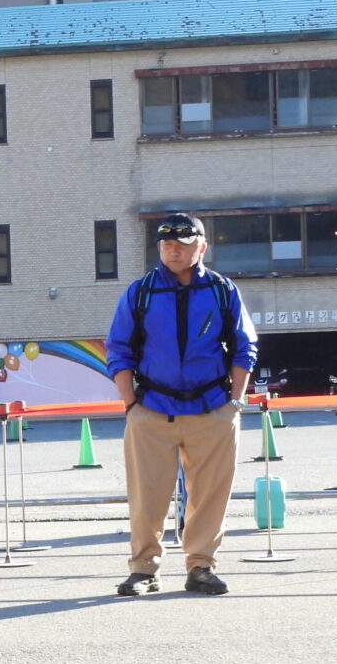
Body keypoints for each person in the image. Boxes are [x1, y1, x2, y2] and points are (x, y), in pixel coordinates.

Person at [105, 212, 258, 597]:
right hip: (152, 409)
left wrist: (234, 403)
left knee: (210, 494)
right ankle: (143, 569)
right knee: (146, 494)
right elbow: (118, 349)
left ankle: (201, 566)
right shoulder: (140, 292)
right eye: (166, 244)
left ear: (201, 248)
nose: (173, 251)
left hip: (212, 408)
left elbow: (245, 347)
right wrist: (130, 404)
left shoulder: (223, 291)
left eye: (183, 244)